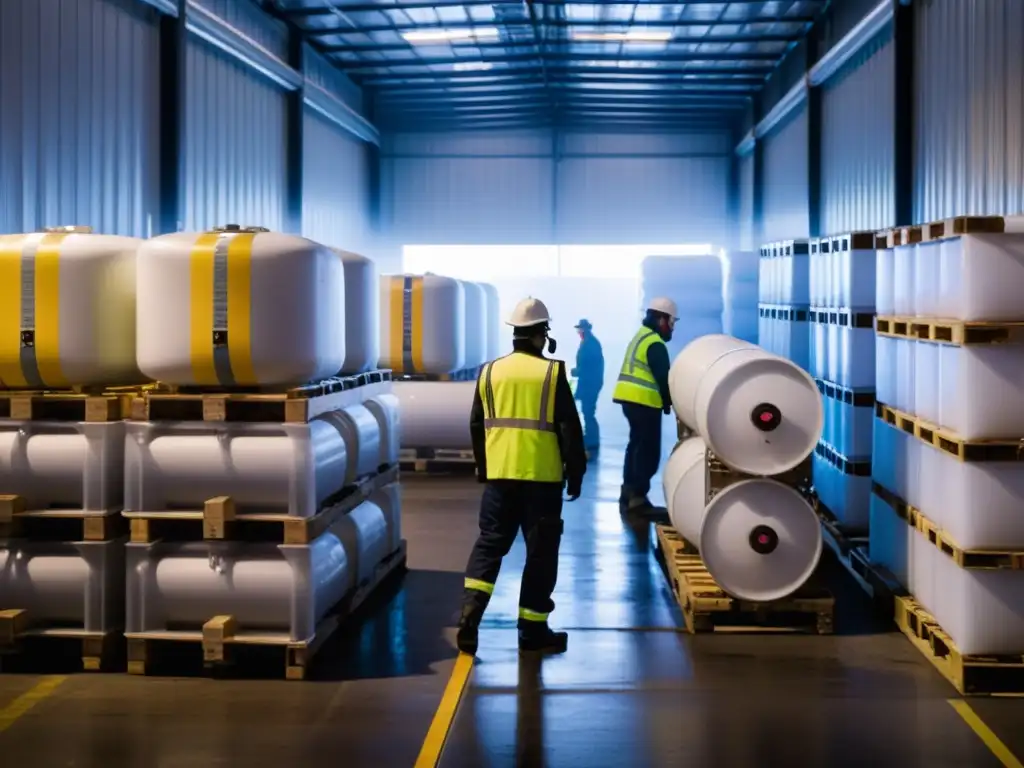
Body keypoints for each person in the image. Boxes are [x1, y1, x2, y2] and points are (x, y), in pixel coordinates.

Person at [457, 297, 587, 657]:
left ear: (515, 333)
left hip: (499, 479)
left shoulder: (489, 372)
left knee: (489, 545)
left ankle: (469, 616)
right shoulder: (552, 373)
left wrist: (485, 468)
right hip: (542, 480)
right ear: (541, 334)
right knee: (540, 555)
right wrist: (575, 473)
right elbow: (569, 430)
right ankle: (532, 630)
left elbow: (475, 425)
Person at [612, 297, 678, 514]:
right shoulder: (655, 344)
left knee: (636, 448)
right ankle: (638, 499)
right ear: (661, 320)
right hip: (644, 401)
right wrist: (670, 402)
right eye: (671, 322)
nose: (672, 327)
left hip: (630, 400)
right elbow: (663, 377)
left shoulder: (641, 337)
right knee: (648, 452)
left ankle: (629, 494)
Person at [570, 318, 604, 458]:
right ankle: (590, 438)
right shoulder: (589, 343)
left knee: (588, 411)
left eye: (581, 329)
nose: (579, 332)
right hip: (589, 382)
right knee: (587, 411)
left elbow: (589, 367)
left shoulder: (590, 344)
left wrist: (577, 371)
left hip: (591, 383)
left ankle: (592, 440)